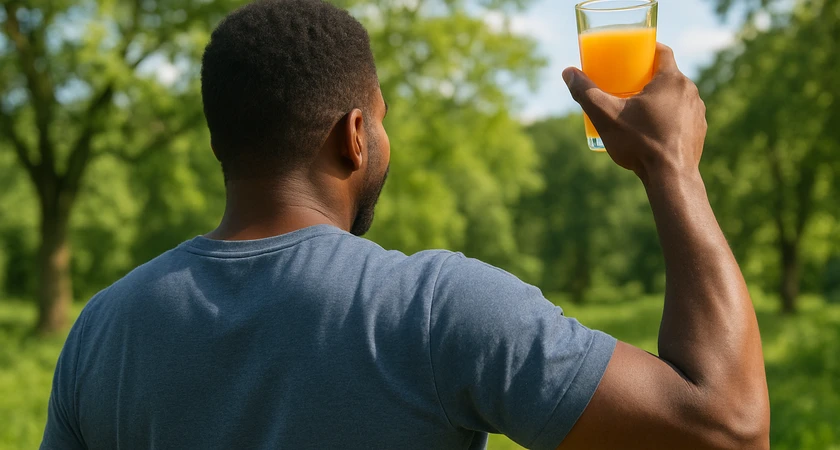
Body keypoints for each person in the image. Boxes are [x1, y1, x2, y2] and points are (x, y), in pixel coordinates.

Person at [40, 0, 770, 448]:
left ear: (221, 142)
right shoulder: (433, 310)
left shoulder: (101, 331)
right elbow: (725, 431)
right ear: (355, 135)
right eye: (383, 122)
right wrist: (671, 168)